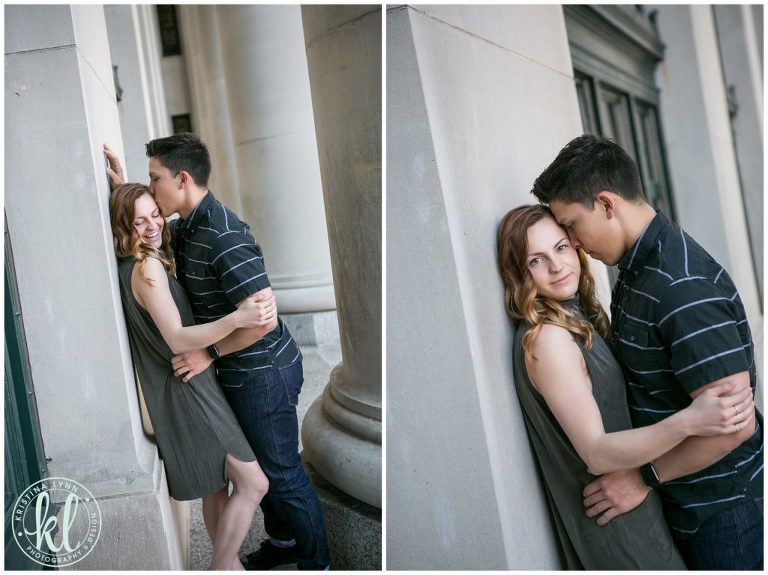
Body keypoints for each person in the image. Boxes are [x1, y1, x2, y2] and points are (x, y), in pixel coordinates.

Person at [531, 134, 763, 570]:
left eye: (571, 227)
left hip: (727, 515)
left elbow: (735, 426)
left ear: (606, 204)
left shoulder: (681, 286)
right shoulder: (638, 268)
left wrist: (643, 477)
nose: (574, 244)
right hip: (690, 508)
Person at [105, 135, 331, 570]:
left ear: (181, 179)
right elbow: (143, 219)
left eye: (154, 180)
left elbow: (261, 319)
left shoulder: (224, 237)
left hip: (262, 371)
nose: (151, 190)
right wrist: (120, 188)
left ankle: (315, 562)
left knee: (279, 474)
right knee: (252, 470)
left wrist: (209, 351)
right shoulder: (184, 223)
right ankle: (280, 545)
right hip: (227, 369)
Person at [109, 183, 276, 570]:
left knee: (215, 489)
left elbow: (135, 217)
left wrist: (119, 185)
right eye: (140, 221)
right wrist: (238, 318)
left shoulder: (133, 262)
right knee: (254, 484)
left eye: (155, 214)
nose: (153, 225)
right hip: (188, 388)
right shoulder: (147, 269)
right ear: (124, 226)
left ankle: (229, 565)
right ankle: (220, 568)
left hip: (184, 386)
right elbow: (178, 338)